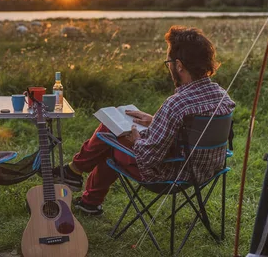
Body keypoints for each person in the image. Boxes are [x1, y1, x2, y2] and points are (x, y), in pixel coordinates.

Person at [54, 26, 235, 215]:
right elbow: (192, 134)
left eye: (169, 63)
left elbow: (148, 157)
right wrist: (155, 121)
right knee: (110, 140)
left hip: (169, 175)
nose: (169, 67)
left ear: (179, 65)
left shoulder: (177, 104)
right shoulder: (221, 96)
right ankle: (86, 197)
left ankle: (76, 174)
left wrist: (136, 140)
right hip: (205, 172)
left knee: (108, 134)